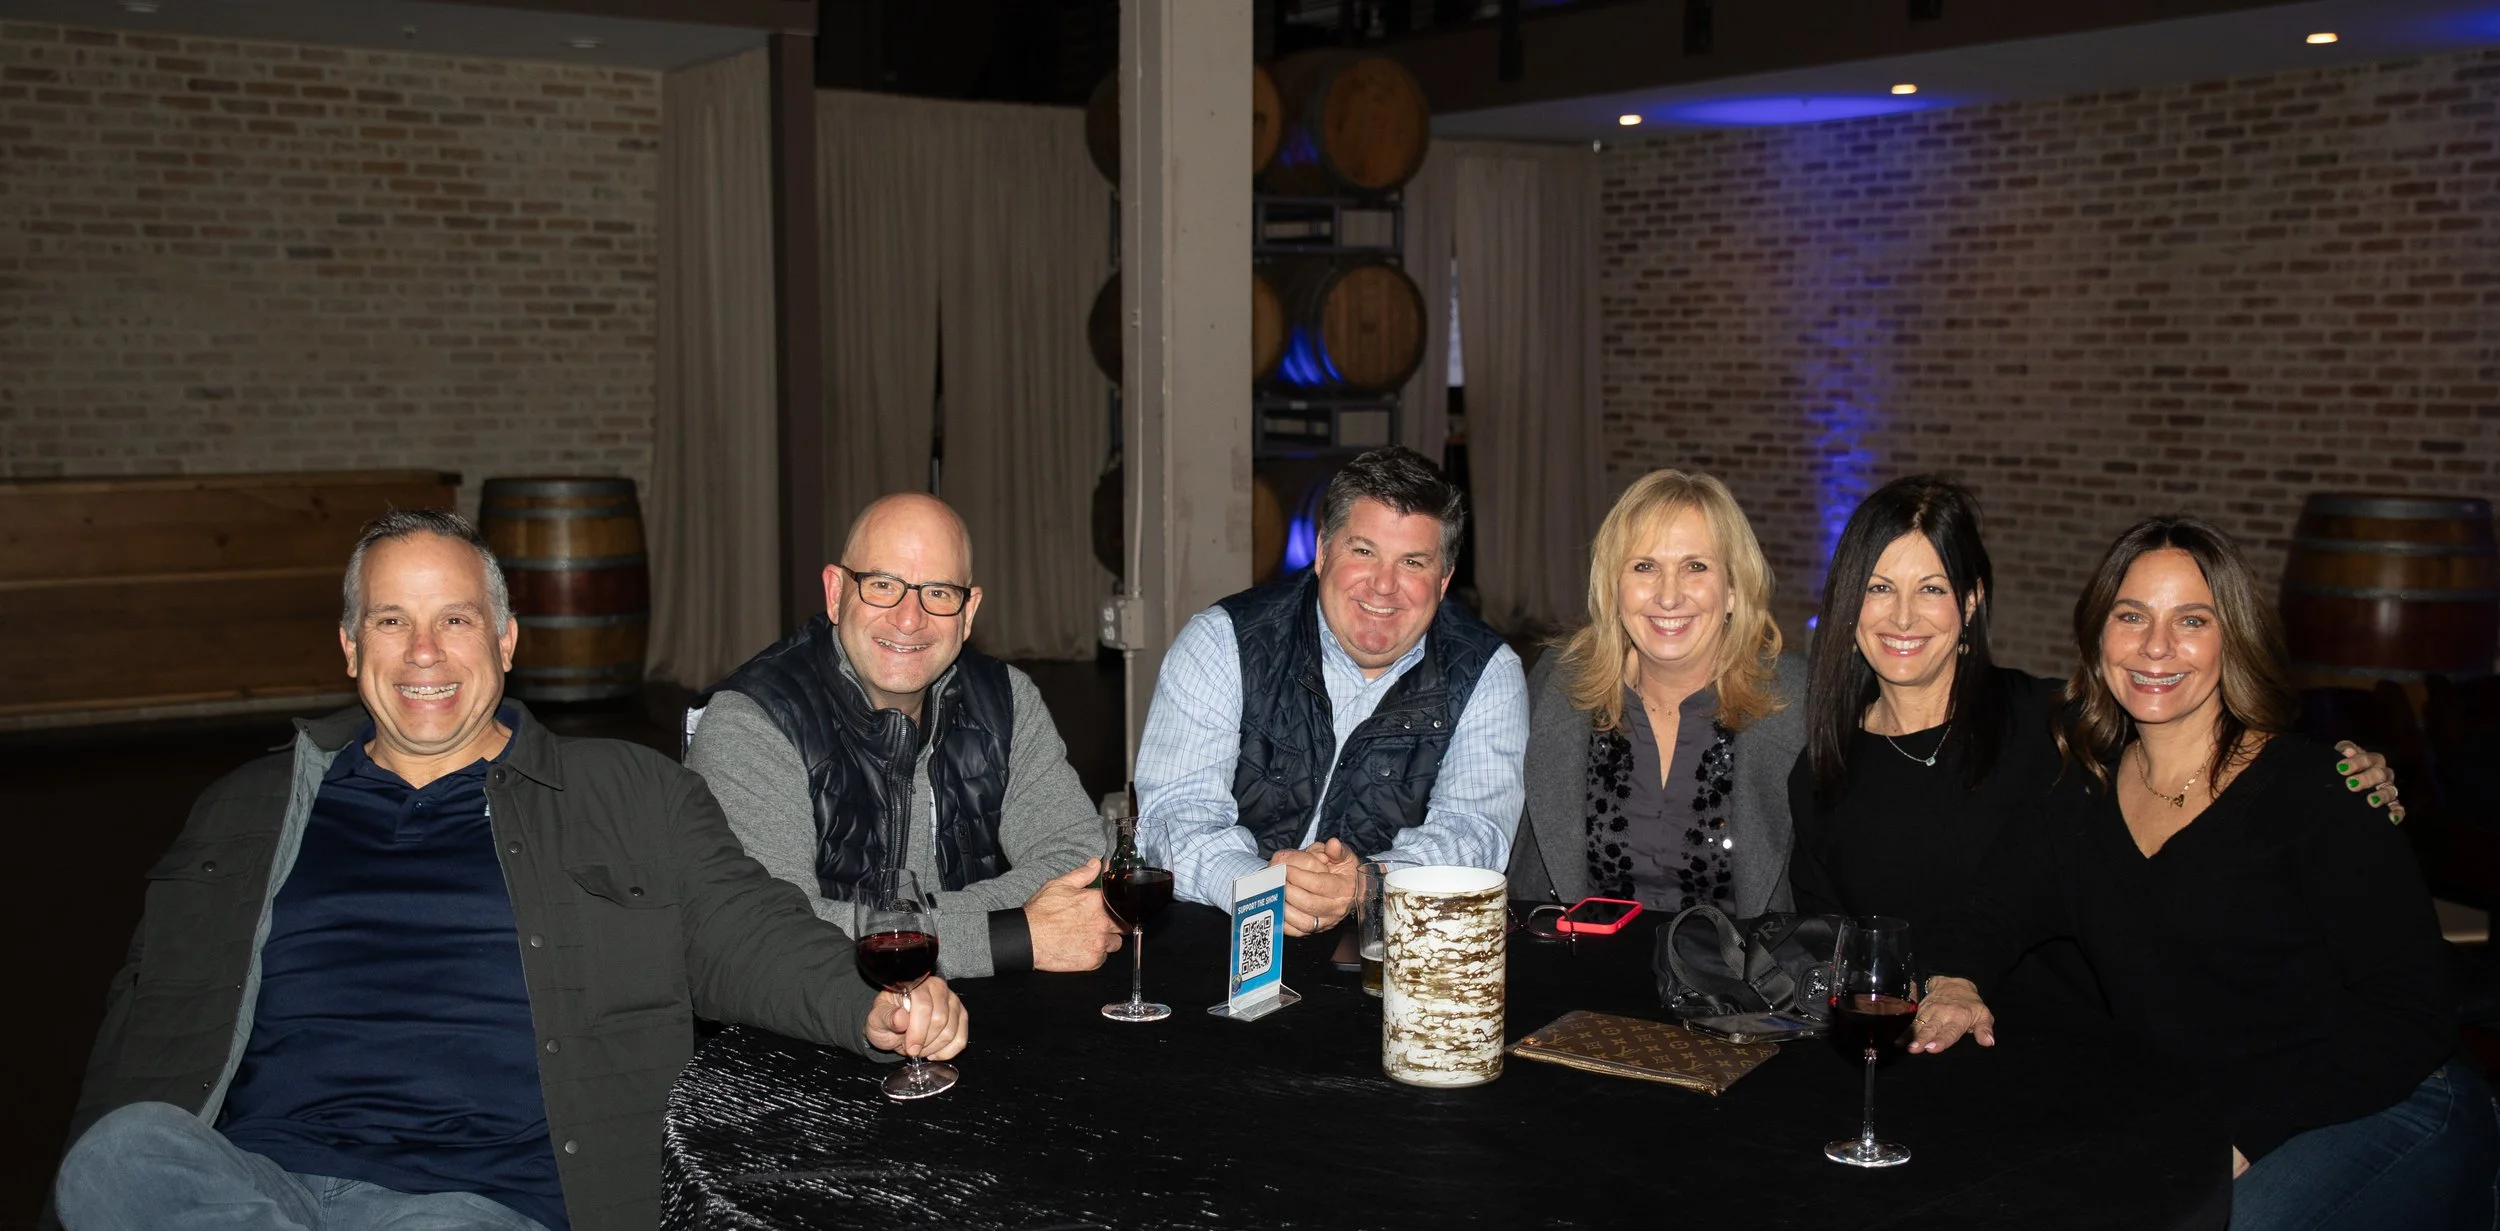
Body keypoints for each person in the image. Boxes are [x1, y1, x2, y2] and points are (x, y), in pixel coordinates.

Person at [18, 510, 969, 1231]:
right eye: (392, 620)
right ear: (347, 645)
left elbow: (752, 930)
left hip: (485, 1219)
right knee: (116, 1158)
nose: (425, 653)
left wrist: (871, 1002)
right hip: (257, 1214)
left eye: (455, 618)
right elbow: (144, 1021)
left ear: (508, 640)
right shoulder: (250, 808)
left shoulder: (624, 795)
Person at [1907, 513, 2498, 1231]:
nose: (2158, 644)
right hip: (2242, 1142)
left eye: (2192, 618)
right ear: (2097, 636)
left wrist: (2237, 1136)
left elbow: (2411, 1014)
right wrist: (1954, 976)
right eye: (2132, 614)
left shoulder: (2317, 787)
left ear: (2233, 638)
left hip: (2406, 1125)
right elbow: (1987, 908)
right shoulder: (2083, 789)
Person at [1786, 476, 2399, 1025]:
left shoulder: (2063, 726)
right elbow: (1832, 961)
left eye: (1931, 588)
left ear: (1970, 604)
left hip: (2089, 1061)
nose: (1903, 616)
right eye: (1879, 587)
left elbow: (2218, 756)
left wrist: (2339, 774)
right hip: (1915, 1057)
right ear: (1849, 604)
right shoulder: (1821, 771)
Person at [688, 493, 1120, 978]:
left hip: (987, 1013)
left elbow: (1078, 863)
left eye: (937, 592)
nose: (910, 618)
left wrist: (915, 926)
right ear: (835, 593)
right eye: (882, 584)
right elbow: (772, 934)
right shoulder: (752, 721)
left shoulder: (1005, 700)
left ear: (969, 611)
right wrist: (1010, 934)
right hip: (807, 1032)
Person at [1136, 446, 1528, 936]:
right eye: (1363, 551)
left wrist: (1367, 885)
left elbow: (1474, 833)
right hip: (1215, 930)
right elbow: (1172, 817)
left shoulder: (1487, 673)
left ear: (1444, 580)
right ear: (1323, 552)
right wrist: (1260, 886)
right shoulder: (1222, 641)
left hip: (1383, 950)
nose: (1384, 585)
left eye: (1413, 562)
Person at [1509, 469, 1804, 919]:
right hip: (1578, 976)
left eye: (1695, 567)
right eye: (1645, 567)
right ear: (1614, 588)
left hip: (1738, 983)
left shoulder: (1797, 701)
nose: (1668, 596)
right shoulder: (1558, 686)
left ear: (1732, 590)